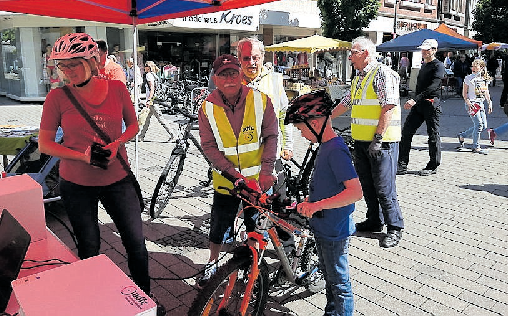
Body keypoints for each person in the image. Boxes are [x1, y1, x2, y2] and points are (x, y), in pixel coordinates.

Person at [36, 33, 165, 315]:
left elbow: (132, 126)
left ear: (93, 61)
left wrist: (116, 143)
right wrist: (82, 156)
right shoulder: (57, 97)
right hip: (76, 183)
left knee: (135, 243)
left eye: (74, 64)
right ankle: (94, 302)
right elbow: (45, 144)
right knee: (89, 246)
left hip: (117, 178)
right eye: (63, 66)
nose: (68, 72)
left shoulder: (118, 89)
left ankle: (145, 299)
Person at [197, 54, 278, 287]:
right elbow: (209, 146)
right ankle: (212, 263)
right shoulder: (207, 107)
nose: (229, 78)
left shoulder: (261, 100)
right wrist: (234, 175)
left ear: (241, 74)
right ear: (215, 79)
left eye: (233, 72)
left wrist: (266, 170)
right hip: (227, 182)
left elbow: (272, 136)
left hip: (257, 182)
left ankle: (250, 266)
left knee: (255, 225)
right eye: (223, 75)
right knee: (218, 225)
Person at [285, 90, 363, 316]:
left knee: (339, 283)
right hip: (324, 227)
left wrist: (317, 206)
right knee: (330, 277)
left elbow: (355, 192)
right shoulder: (325, 147)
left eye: (301, 129)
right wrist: (311, 201)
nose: (300, 135)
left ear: (316, 123)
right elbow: (330, 186)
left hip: (334, 231)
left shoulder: (336, 150)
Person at [332, 36, 405, 248]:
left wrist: (378, 138)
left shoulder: (382, 73)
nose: (350, 57)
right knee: (367, 184)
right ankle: (375, 220)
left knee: (384, 187)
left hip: (381, 142)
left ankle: (395, 227)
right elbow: (347, 103)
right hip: (361, 141)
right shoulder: (359, 78)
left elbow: (388, 106)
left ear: (365, 53)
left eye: (353, 53)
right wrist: (326, 120)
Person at [397, 39, 446, 176]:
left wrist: (415, 99)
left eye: (427, 49)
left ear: (434, 50)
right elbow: (419, 86)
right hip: (419, 104)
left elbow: (433, 87)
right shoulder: (424, 65)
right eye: (423, 49)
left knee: (433, 135)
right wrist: (413, 97)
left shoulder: (438, 66)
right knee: (406, 132)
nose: (424, 52)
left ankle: (433, 165)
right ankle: (401, 164)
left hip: (431, 104)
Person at [457, 59, 492, 154]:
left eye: (476, 66)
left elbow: (486, 92)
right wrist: (468, 102)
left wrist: (489, 103)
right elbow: (464, 93)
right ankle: (476, 147)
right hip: (472, 104)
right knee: (479, 124)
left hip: (480, 104)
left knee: (483, 125)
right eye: (473, 66)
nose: (473, 68)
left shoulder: (483, 79)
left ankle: (462, 135)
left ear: (481, 67)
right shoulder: (468, 78)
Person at [138, 61, 174, 142]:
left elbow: (152, 89)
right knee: (147, 119)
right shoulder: (154, 75)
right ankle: (141, 136)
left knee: (160, 119)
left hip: (152, 101)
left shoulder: (148, 75)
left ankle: (172, 134)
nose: (144, 67)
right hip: (153, 100)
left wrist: (149, 100)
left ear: (148, 67)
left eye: (145, 66)